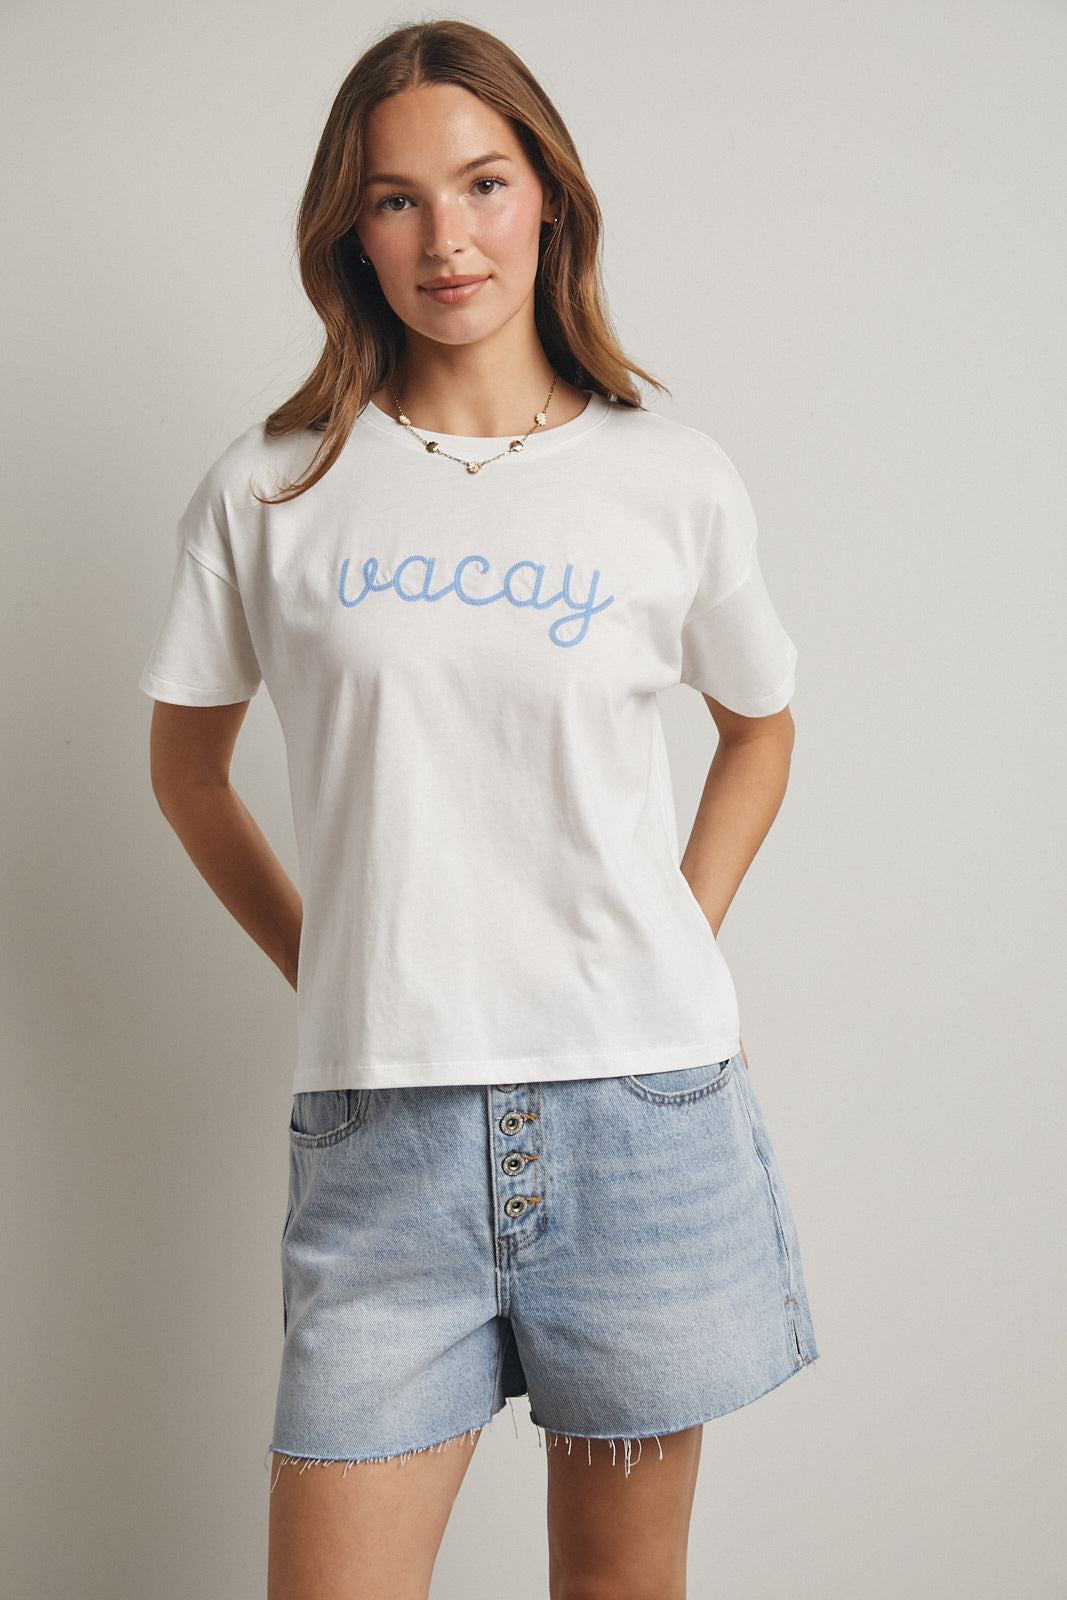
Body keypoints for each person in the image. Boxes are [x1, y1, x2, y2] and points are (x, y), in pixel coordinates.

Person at [141, 18, 818, 1599]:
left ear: (549, 196)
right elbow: (186, 772)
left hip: (643, 1120)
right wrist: (331, 962)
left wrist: (677, 930)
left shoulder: (670, 477)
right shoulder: (274, 488)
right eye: (397, 199)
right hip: (384, 1142)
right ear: (352, 231)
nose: (447, 236)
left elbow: (761, 727)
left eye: (484, 183)